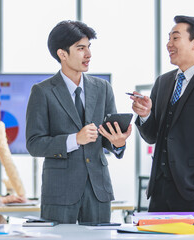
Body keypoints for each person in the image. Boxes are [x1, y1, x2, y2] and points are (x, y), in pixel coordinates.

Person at [26, 20, 132, 224]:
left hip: (98, 191)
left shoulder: (103, 88)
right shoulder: (42, 92)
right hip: (59, 192)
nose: (88, 55)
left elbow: (109, 138)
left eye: (89, 47)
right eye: (80, 48)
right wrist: (75, 139)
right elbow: (34, 144)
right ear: (62, 54)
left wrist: (118, 144)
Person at [131, 15, 194, 218]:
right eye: (168, 38)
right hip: (159, 192)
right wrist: (146, 115)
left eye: (175, 38)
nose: (168, 44)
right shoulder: (163, 82)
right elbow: (153, 136)